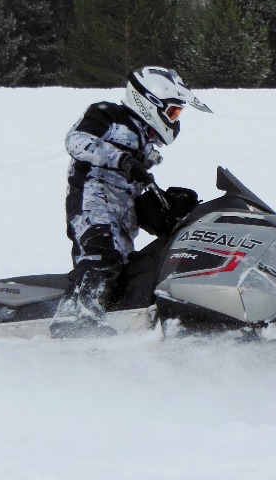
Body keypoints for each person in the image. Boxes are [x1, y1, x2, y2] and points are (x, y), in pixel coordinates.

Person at [50, 66, 213, 338]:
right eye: (172, 111)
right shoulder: (108, 114)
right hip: (92, 204)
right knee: (103, 256)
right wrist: (121, 159)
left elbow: (136, 191)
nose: (175, 119)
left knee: (128, 274)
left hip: (122, 221)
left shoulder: (145, 143)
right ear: (149, 100)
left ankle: (115, 325)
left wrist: (170, 208)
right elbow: (76, 141)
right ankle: (75, 318)